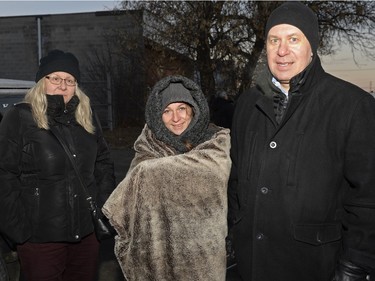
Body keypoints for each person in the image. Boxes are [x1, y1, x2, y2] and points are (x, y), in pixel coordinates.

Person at [228, 2, 375, 281]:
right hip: (251, 268)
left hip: (316, 269)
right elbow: (236, 181)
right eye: (274, 40)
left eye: (293, 39)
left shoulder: (353, 106)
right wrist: (238, 231)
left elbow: (367, 202)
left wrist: (353, 269)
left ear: (312, 47)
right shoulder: (247, 104)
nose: (282, 51)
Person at [0, 49, 115, 281]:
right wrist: (18, 231)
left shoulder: (87, 118)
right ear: (42, 82)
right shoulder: (20, 117)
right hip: (39, 239)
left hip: (86, 236)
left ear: (76, 86)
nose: (62, 85)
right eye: (55, 78)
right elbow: (5, 174)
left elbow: (103, 164)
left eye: (70, 80)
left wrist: (103, 208)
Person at [103, 75, 231, 280]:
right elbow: (135, 206)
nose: (176, 118)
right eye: (167, 111)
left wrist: (149, 173)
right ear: (157, 115)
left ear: (193, 109)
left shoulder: (215, 139)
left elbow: (212, 172)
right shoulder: (148, 146)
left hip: (202, 258)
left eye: (182, 108)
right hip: (159, 257)